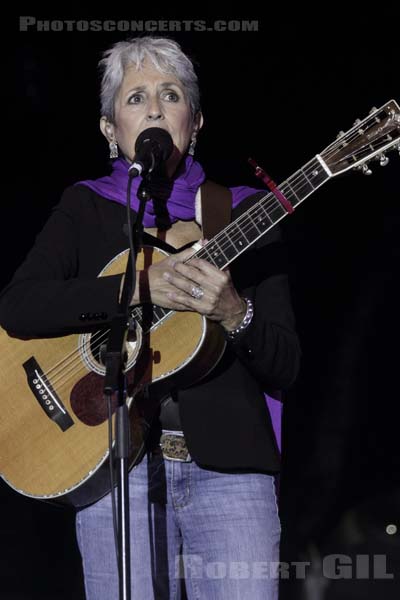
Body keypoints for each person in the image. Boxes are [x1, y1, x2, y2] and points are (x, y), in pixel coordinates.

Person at [0, 36, 301, 599]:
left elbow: (286, 364)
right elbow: (17, 306)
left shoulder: (242, 214)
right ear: (110, 130)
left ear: (196, 121)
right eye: (136, 97)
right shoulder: (84, 206)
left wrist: (235, 312)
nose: (156, 107)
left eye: (172, 94)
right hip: (116, 468)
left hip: (231, 479)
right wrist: (136, 285)